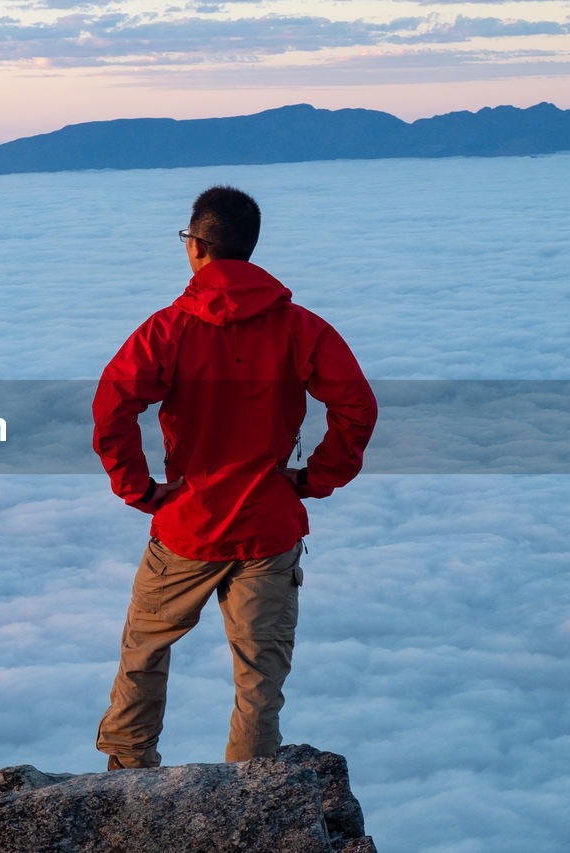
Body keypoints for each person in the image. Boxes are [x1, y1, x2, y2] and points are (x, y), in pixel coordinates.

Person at [92, 185, 377, 770]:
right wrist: (314, 478)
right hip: (269, 526)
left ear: (196, 247)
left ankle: (125, 771)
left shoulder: (168, 330)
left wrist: (139, 488)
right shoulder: (301, 328)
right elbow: (357, 408)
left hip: (188, 524)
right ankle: (253, 794)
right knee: (260, 676)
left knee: (144, 648)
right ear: (248, 248)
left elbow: (112, 406)